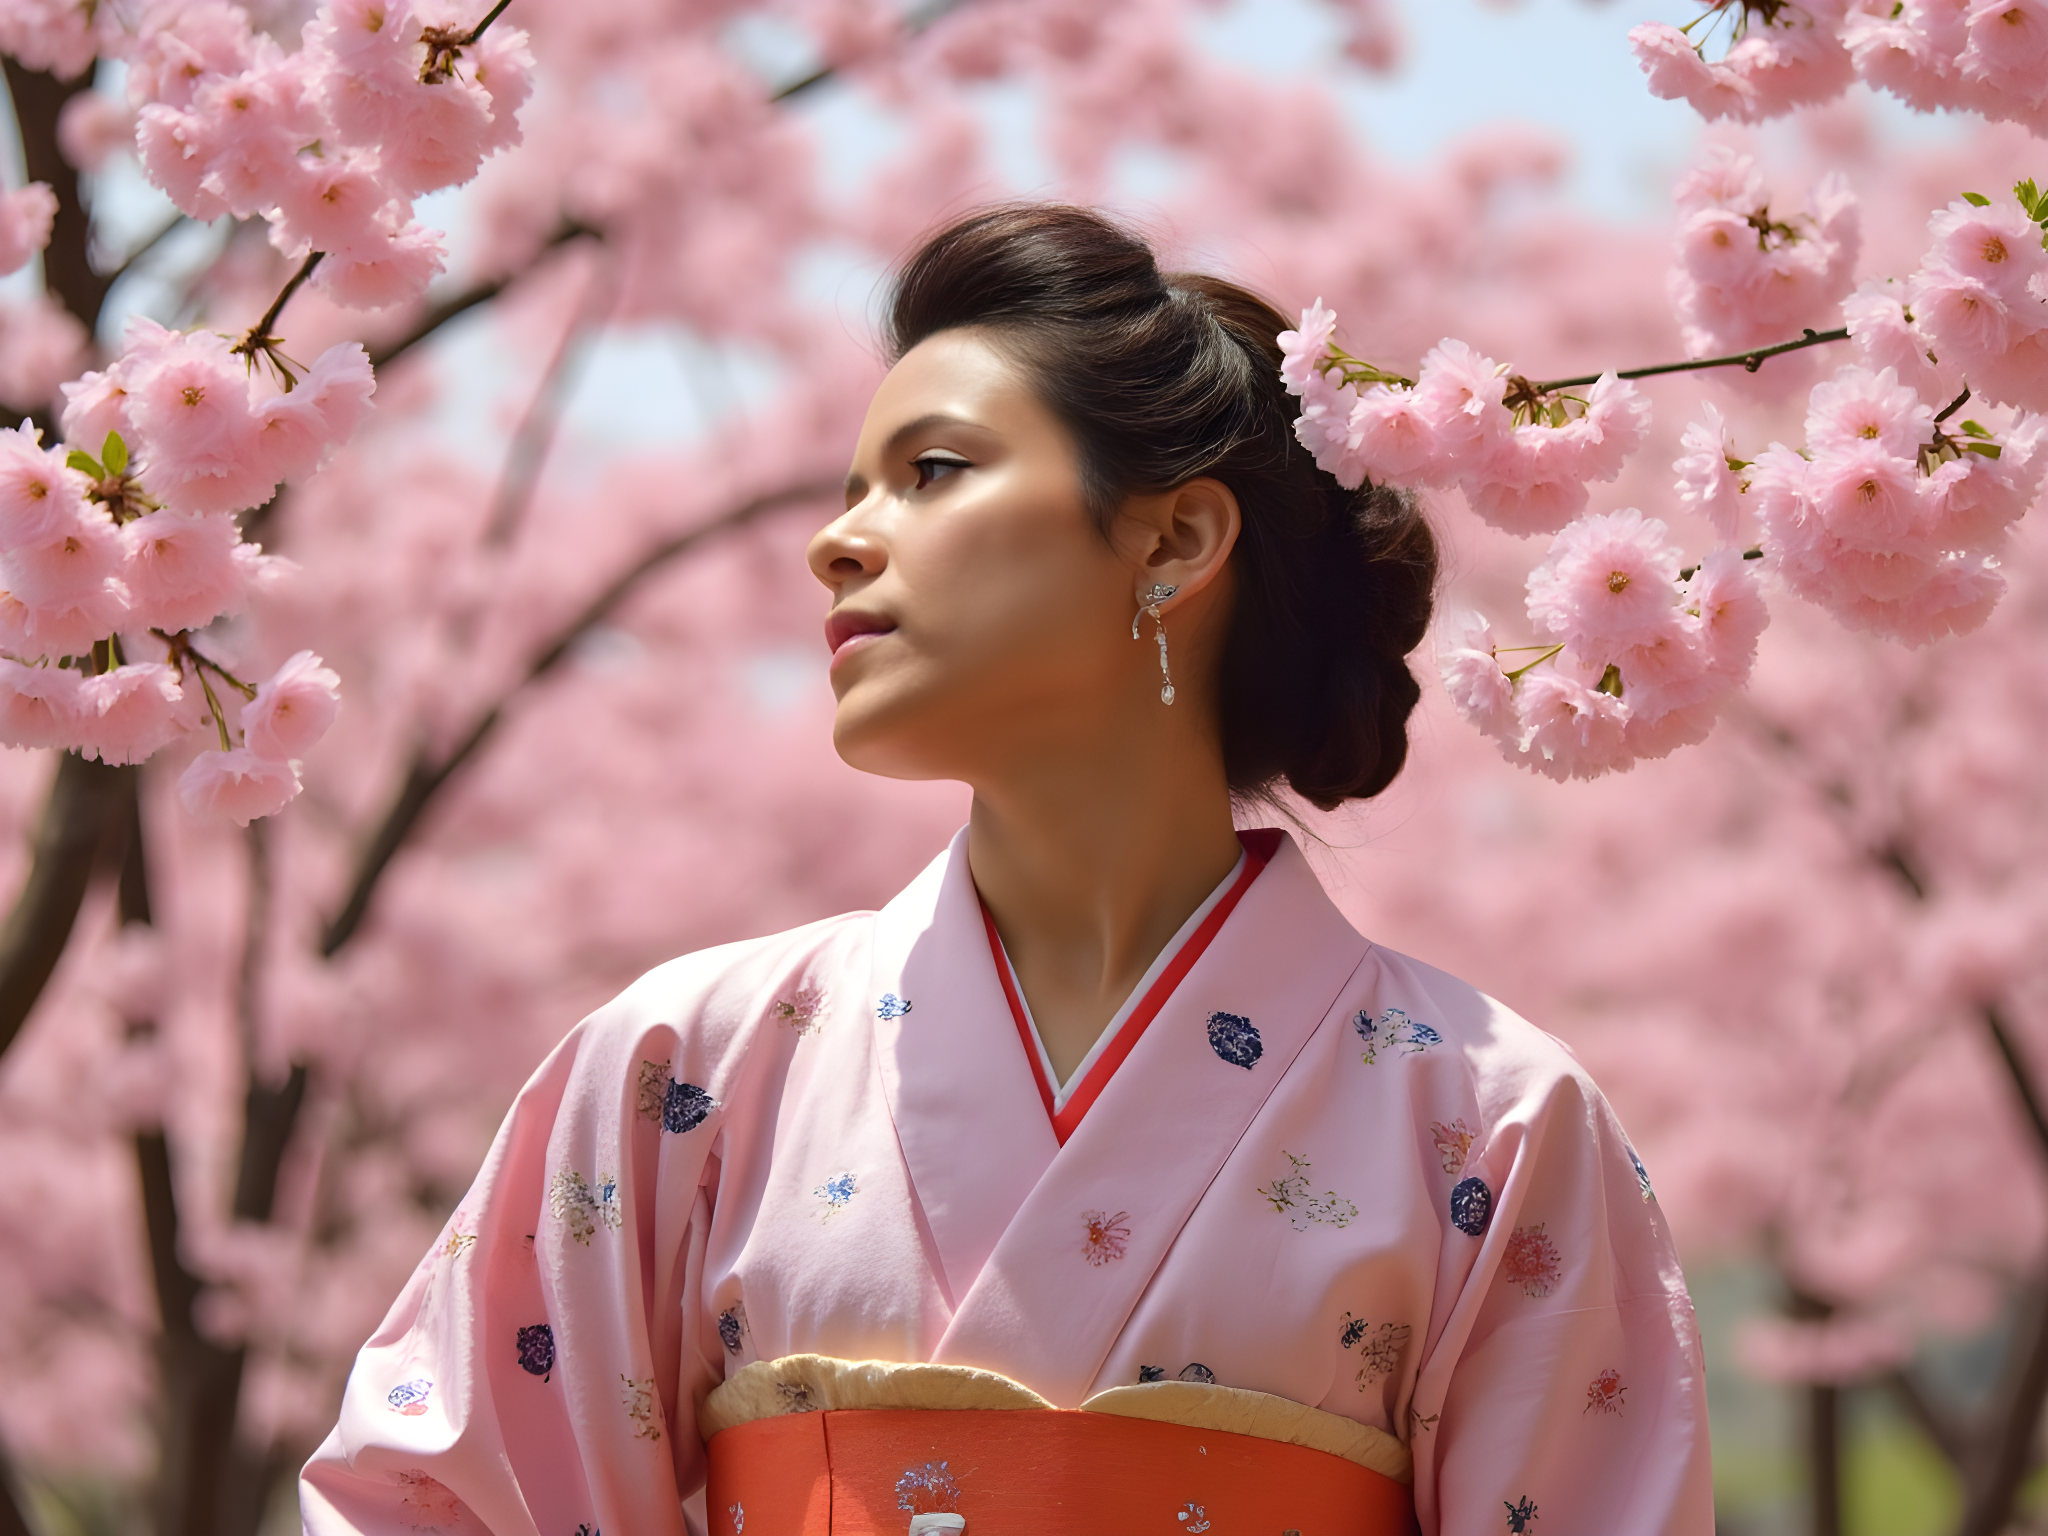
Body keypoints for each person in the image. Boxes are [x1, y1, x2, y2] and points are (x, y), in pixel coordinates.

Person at [302, 205, 1713, 1536]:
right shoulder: (693, 1071)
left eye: (931, 471)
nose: (834, 539)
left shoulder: (1490, 1121)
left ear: (1172, 539)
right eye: (853, 485)